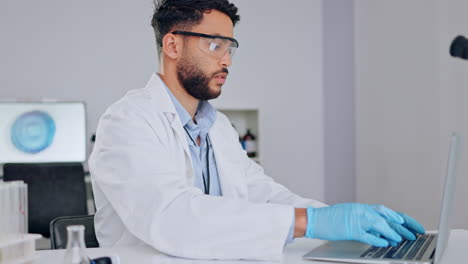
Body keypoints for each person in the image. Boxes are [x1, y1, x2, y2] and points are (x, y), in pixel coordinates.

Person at [88, 0, 425, 261]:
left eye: (230, 47)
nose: (227, 61)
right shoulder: (127, 122)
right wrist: (311, 221)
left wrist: (338, 221)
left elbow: (262, 193)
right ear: (173, 46)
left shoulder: (217, 127)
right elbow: (172, 218)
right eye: (215, 45)